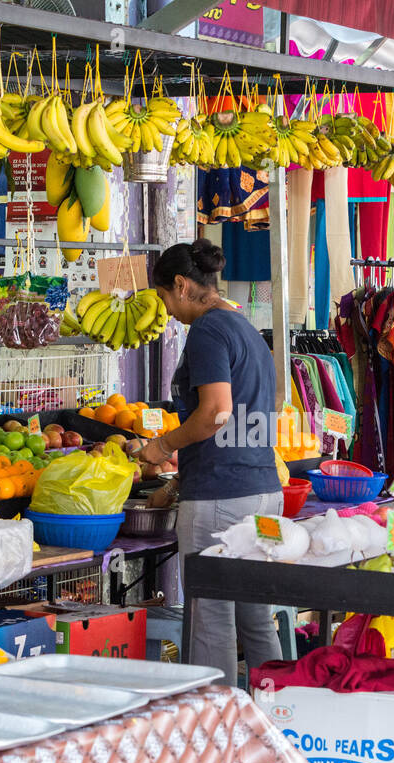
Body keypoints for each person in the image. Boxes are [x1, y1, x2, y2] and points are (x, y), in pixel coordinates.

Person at [135, 239, 284, 686]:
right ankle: (276, 714)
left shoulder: (207, 331)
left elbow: (215, 413)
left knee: (211, 619)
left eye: (163, 297)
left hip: (222, 497)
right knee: (256, 618)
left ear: (181, 285)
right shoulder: (245, 329)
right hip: (264, 493)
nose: (165, 309)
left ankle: (217, 730)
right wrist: (183, 478)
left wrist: (161, 448)